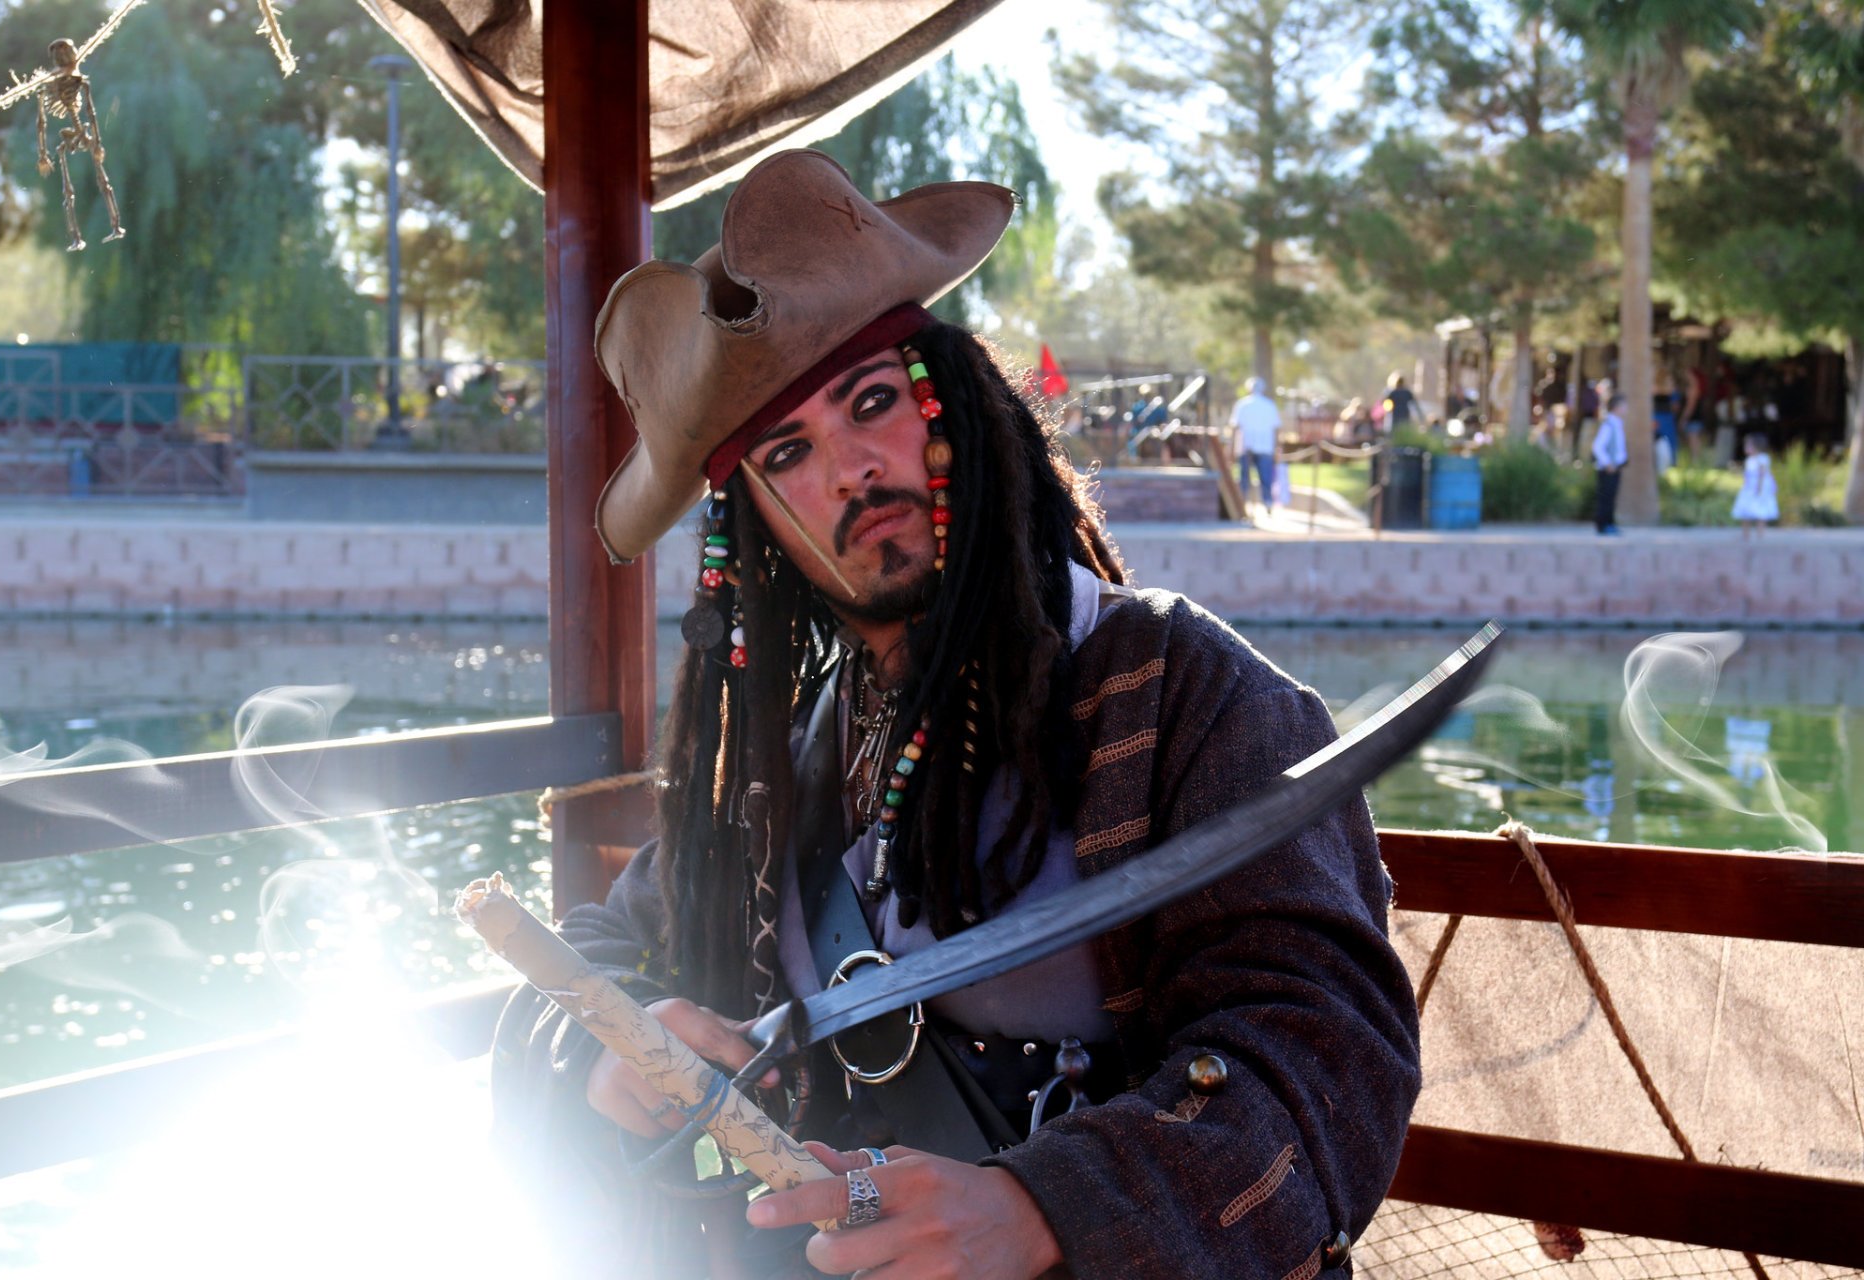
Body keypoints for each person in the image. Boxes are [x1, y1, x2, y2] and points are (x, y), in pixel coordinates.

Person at [488, 150, 1417, 1279]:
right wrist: (614, 1047)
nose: (851, 471)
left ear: (961, 408)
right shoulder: (792, 753)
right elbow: (593, 954)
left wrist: (1045, 1206)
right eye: (790, 452)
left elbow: (1327, 1056)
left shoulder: (1187, 691)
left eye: (874, 402)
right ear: (761, 534)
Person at [1229, 375, 1282, 511]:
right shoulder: (1269, 405)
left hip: (1246, 446)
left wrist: (1232, 448)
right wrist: (1277, 448)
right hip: (1265, 447)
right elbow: (1276, 430)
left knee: (1245, 477)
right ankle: (1267, 502)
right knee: (1264, 478)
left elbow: (1235, 428)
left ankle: (1243, 503)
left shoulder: (1242, 404)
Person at [1591, 392, 1629, 536]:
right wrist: (1607, 463)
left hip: (1615, 467)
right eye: (1624, 406)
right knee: (1605, 497)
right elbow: (1597, 446)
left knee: (1611, 497)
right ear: (1616, 407)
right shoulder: (1608, 425)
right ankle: (1603, 524)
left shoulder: (1617, 424)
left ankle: (1609, 523)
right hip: (1608, 469)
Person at [1731, 432, 1778, 539]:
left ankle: (1760, 533)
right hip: (1748, 488)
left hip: (1758, 488)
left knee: (1760, 511)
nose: (1745, 447)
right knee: (1746, 511)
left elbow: (1762, 475)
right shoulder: (1748, 460)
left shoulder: (1762, 458)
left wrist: (1759, 489)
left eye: (1748, 445)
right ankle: (1745, 534)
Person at [1379, 372, 1422, 436]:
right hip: (1403, 414)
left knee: (1396, 431)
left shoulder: (1393, 392)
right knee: (1403, 430)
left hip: (1397, 415)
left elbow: (1383, 402)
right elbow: (1415, 404)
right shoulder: (1406, 392)